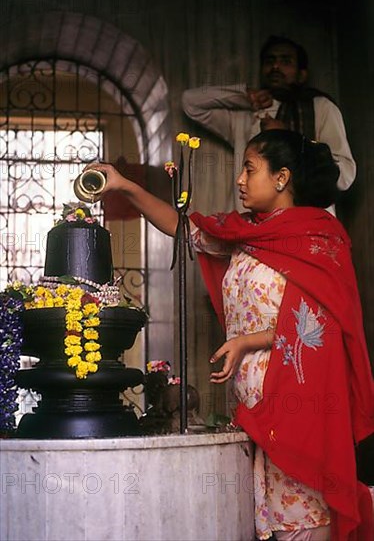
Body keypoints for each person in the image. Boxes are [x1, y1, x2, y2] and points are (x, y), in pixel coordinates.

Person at [86, 129, 373, 541]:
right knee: (262, 519)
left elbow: (320, 328)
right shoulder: (247, 234)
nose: (239, 179)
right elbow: (181, 227)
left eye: (249, 169)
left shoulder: (318, 238)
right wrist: (125, 186)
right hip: (248, 399)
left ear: (282, 178)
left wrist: (247, 341)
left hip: (297, 400)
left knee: (301, 517)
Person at [182, 35, 356, 214]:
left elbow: (345, 175)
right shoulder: (248, 114)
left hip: (307, 227)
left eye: (285, 61)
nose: (275, 67)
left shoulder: (320, 107)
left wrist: (288, 140)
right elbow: (191, 103)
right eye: (269, 61)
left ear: (301, 74)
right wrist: (243, 95)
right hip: (254, 229)